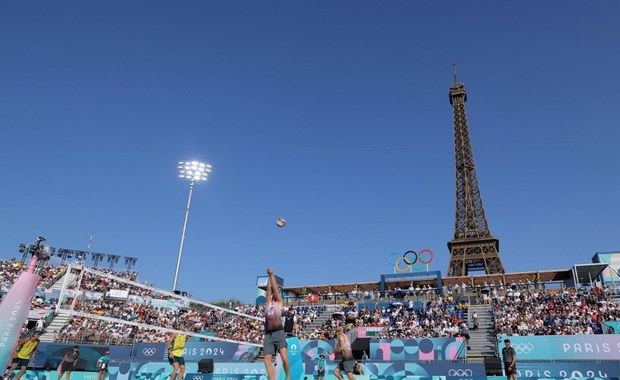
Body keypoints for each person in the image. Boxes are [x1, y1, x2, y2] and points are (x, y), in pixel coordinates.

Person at [263, 268, 290, 380]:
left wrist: (272, 275)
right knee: (266, 359)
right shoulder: (268, 304)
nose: (273, 295)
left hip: (278, 332)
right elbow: (269, 291)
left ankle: (288, 377)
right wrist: (269, 277)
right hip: (268, 333)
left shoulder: (279, 303)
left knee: (284, 357)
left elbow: (274, 289)